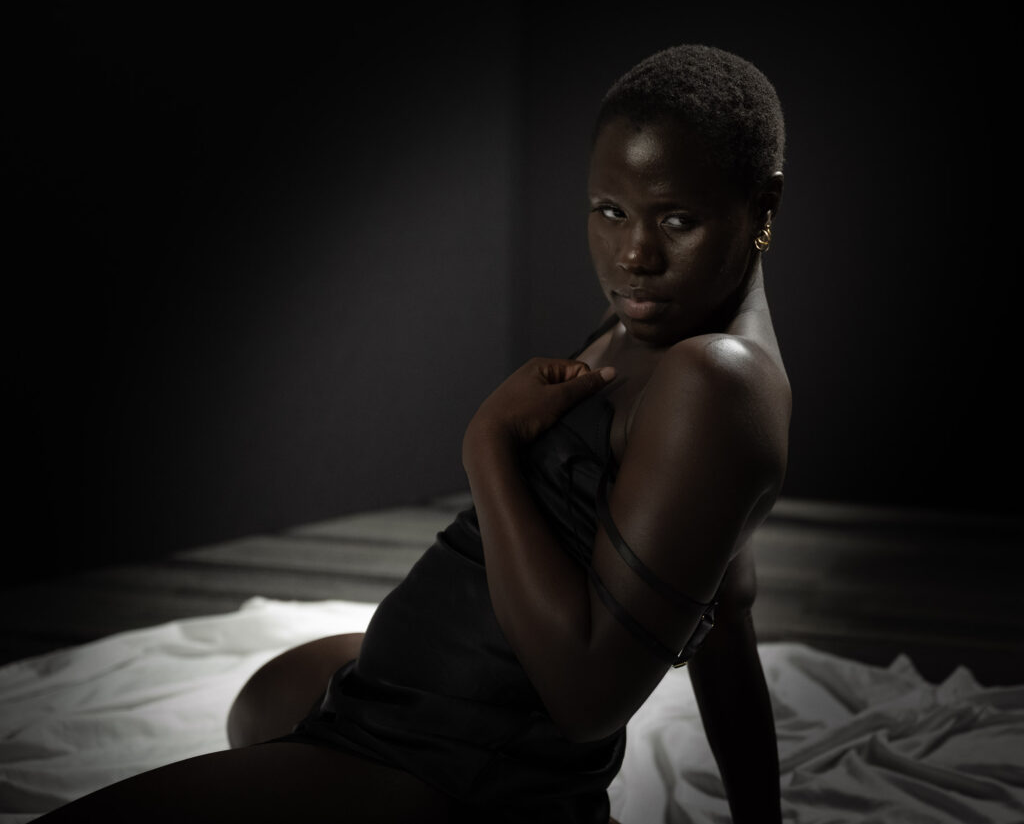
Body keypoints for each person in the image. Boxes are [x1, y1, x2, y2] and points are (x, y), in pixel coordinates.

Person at [38, 44, 790, 823]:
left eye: (676, 219)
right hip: (417, 701)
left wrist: (486, 448)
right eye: (610, 211)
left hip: (460, 764)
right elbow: (726, 602)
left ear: (762, 207)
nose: (634, 254)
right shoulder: (663, 313)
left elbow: (586, 701)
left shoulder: (717, 377)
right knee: (266, 697)